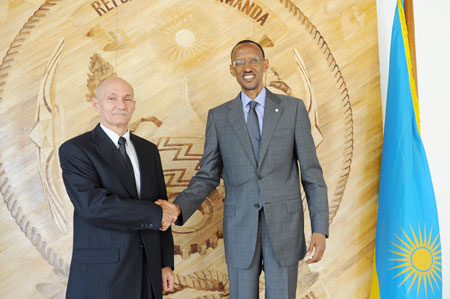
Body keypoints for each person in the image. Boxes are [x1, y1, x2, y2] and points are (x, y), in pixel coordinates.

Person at [157, 40, 329, 298]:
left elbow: (312, 174)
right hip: (240, 229)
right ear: (231, 69)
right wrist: (179, 207)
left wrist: (320, 228)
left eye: (253, 60)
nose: (247, 66)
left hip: (285, 228)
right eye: (239, 62)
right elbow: (208, 175)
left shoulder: (292, 110)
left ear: (265, 65)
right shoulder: (219, 117)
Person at [59, 77, 177, 299]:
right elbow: (93, 206)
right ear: (96, 104)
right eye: (112, 98)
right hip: (104, 273)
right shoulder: (76, 150)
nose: (121, 105)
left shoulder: (148, 150)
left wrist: (164, 263)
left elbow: (162, 201)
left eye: (127, 99)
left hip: (148, 270)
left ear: (133, 105)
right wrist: (156, 212)